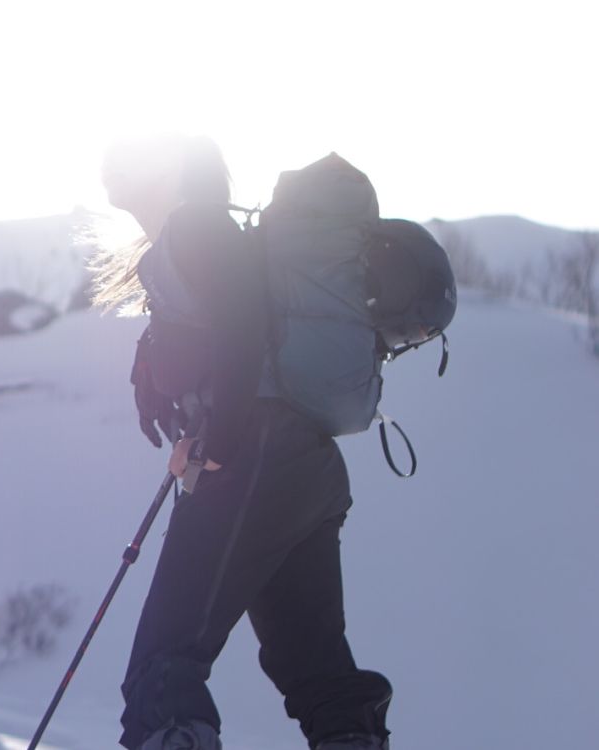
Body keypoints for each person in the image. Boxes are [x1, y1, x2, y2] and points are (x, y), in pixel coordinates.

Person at [93, 136, 393, 750]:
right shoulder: (195, 232)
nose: (111, 168)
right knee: (314, 667)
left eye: (126, 156)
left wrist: (220, 438)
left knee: (163, 665)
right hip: (302, 468)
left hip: (253, 458)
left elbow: (241, 321)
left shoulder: (198, 226)